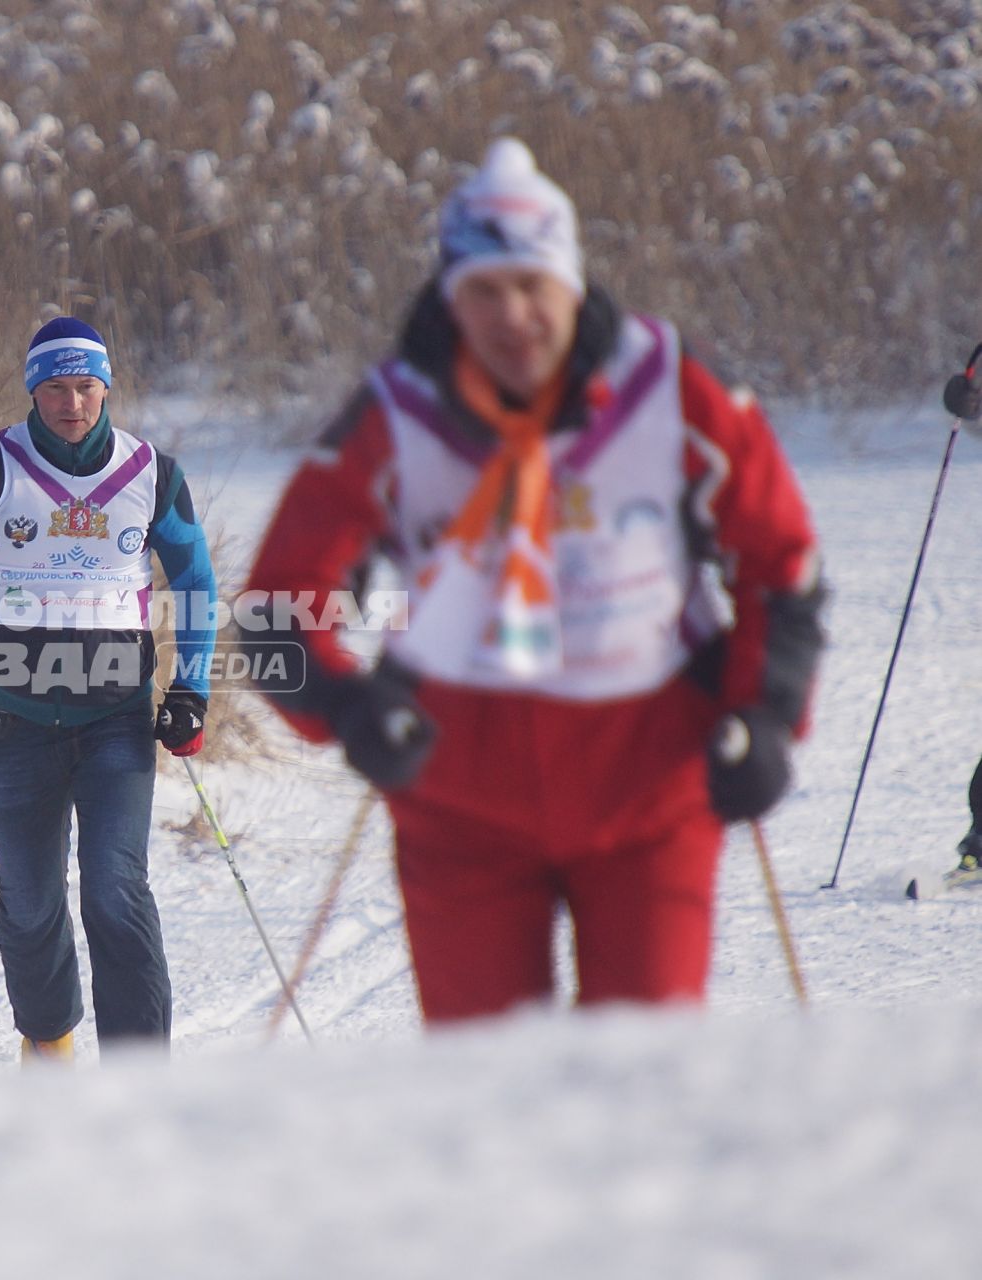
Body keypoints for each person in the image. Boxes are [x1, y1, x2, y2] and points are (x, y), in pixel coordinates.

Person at [243, 139, 824, 1024]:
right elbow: (275, 610)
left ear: (573, 286)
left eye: (532, 287)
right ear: (451, 298)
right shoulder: (398, 413)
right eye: (483, 291)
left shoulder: (670, 388)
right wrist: (347, 711)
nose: (513, 316)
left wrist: (766, 713)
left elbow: (779, 560)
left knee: (647, 1064)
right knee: (486, 1089)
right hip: (459, 793)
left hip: (648, 780)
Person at [0, 316, 217, 1060]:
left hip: (115, 720)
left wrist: (192, 688)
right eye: (55, 389)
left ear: (106, 388)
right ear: (34, 391)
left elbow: (196, 579)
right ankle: (48, 1047)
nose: (71, 403)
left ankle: (138, 1070)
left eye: (85, 387)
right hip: (17, 723)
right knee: (31, 902)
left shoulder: (153, 474)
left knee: (115, 890)